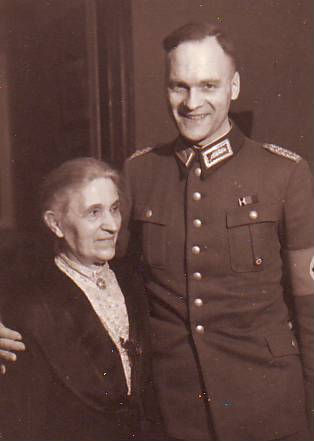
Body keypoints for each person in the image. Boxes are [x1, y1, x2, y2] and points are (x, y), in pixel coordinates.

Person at [1, 22, 313, 441]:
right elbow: (88, 264)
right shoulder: (141, 172)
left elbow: (310, 307)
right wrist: (10, 312)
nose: (192, 102)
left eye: (208, 85)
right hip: (172, 412)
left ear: (234, 87)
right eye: (178, 87)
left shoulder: (284, 175)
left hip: (268, 409)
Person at [0, 158, 159, 441]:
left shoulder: (133, 281)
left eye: (114, 209)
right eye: (93, 213)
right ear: (55, 224)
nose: (112, 225)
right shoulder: (32, 308)